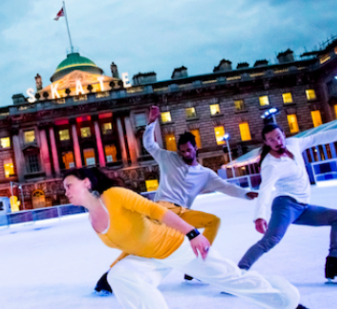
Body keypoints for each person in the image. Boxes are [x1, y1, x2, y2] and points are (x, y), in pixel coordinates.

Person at [64, 168, 328, 309]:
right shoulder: (92, 218)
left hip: (176, 245)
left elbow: (157, 212)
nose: (65, 192)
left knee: (231, 279)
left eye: (68, 185)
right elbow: (129, 243)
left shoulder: (115, 196)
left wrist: (192, 233)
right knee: (120, 275)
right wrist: (112, 269)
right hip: (150, 258)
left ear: (86, 182)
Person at [93, 105, 258, 294]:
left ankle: (198, 263)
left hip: (182, 213)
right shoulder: (168, 158)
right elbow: (149, 145)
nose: (185, 154)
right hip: (162, 210)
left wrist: (245, 193)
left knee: (213, 221)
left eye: (188, 150)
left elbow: (225, 186)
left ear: (196, 148)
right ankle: (108, 277)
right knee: (142, 242)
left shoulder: (206, 174)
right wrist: (151, 122)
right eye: (181, 151)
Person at [238, 124, 337, 282]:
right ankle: (238, 274)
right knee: (270, 240)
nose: (277, 141)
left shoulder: (293, 143)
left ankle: (335, 262)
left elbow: (317, 138)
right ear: (266, 143)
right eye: (271, 140)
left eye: (278, 136)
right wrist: (259, 216)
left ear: (283, 134)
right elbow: (265, 190)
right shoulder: (270, 164)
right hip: (285, 206)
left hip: (303, 207)